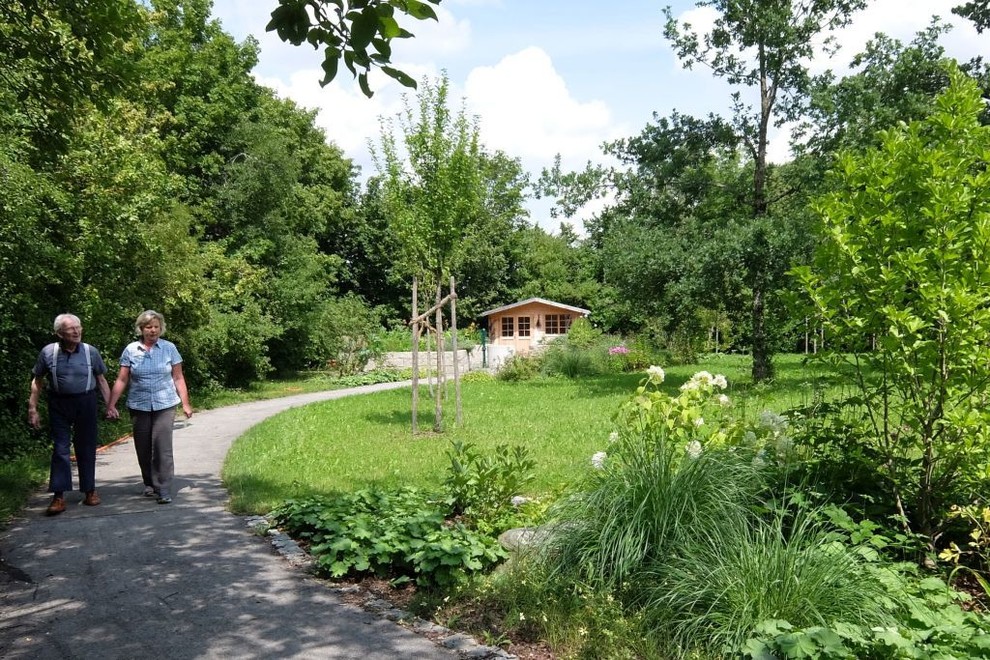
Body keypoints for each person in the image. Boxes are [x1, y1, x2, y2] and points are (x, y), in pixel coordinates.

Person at [28, 313, 112, 515]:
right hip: (58, 403)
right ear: (59, 333)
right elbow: (37, 381)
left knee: (86, 446)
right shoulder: (49, 352)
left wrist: (110, 406)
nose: (76, 331)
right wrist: (32, 408)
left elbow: (101, 380)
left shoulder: (90, 352)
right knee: (60, 448)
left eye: (78, 327)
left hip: (86, 401)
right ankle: (58, 496)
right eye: (71, 329)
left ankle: (90, 491)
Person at [106, 310, 192, 504]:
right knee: (143, 447)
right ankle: (150, 484)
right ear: (141, 329)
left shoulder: (169, 348)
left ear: (161, 328)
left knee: (162, 447)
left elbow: (178, 377)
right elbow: (122, 379)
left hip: (165, 404)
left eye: (156, 327)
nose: (152, 330)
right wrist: (111, 404)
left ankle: (163, 488)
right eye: (148, 327)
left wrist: (186, 404)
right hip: (139, 405)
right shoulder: (131, 350)